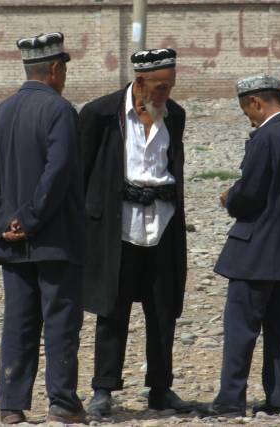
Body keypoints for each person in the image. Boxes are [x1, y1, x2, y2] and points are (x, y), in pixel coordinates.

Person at [0, 32, 86, 425]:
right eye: (63, 70)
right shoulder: (60, 111)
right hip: (54, 239)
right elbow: (59, 171)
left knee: (18, 320)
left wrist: (3, 223)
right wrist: (30, 219)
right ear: (55, 70)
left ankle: (11, 405)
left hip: (13, 243)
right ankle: (63, 403)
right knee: (60, 319)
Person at [198, 74, 280, 417]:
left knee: (242, 327)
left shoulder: (266, 138)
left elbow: (251, 194)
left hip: (255, 252)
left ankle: (230, 400)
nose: (250, 119)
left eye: (248, 113)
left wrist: (230, 198)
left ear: (256, 102)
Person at [79, 48, 191, 416]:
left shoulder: (174, 115)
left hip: (162, 226)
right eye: (160, 87)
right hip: (117, 228)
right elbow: (82, 173)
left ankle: (160, 388)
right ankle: (103, 389)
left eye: (170, 87)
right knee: (112, 309)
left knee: (163, 309)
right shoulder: (101, 114)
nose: (165, 95)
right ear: (140, 82)